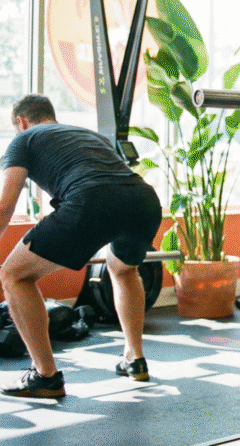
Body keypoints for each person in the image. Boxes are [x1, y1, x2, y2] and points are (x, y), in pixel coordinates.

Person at [0, 95, 162, 397]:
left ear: (20, 122)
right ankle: (135, 359)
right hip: (143, 199)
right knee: (123, 270)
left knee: (14, 276)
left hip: (92, 201)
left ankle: (45, 376)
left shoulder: (23, 140)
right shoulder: (88, 135)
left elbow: (4, 206)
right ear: (52, 116)